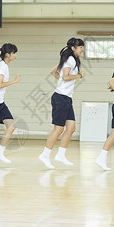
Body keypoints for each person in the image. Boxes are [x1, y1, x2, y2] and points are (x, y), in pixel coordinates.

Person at [38, 37, 85, 169]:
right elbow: (65, 76)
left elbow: (54, 72)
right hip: (61, 98)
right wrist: (79, 76)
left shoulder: (69, 59)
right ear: (73, 48)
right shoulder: (70, 59)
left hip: (66, 98)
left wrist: (62, 82)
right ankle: (45, 155)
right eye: (80, 47)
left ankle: (60, 155)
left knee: (71, 128)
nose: (82, 50)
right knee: (58, 129)